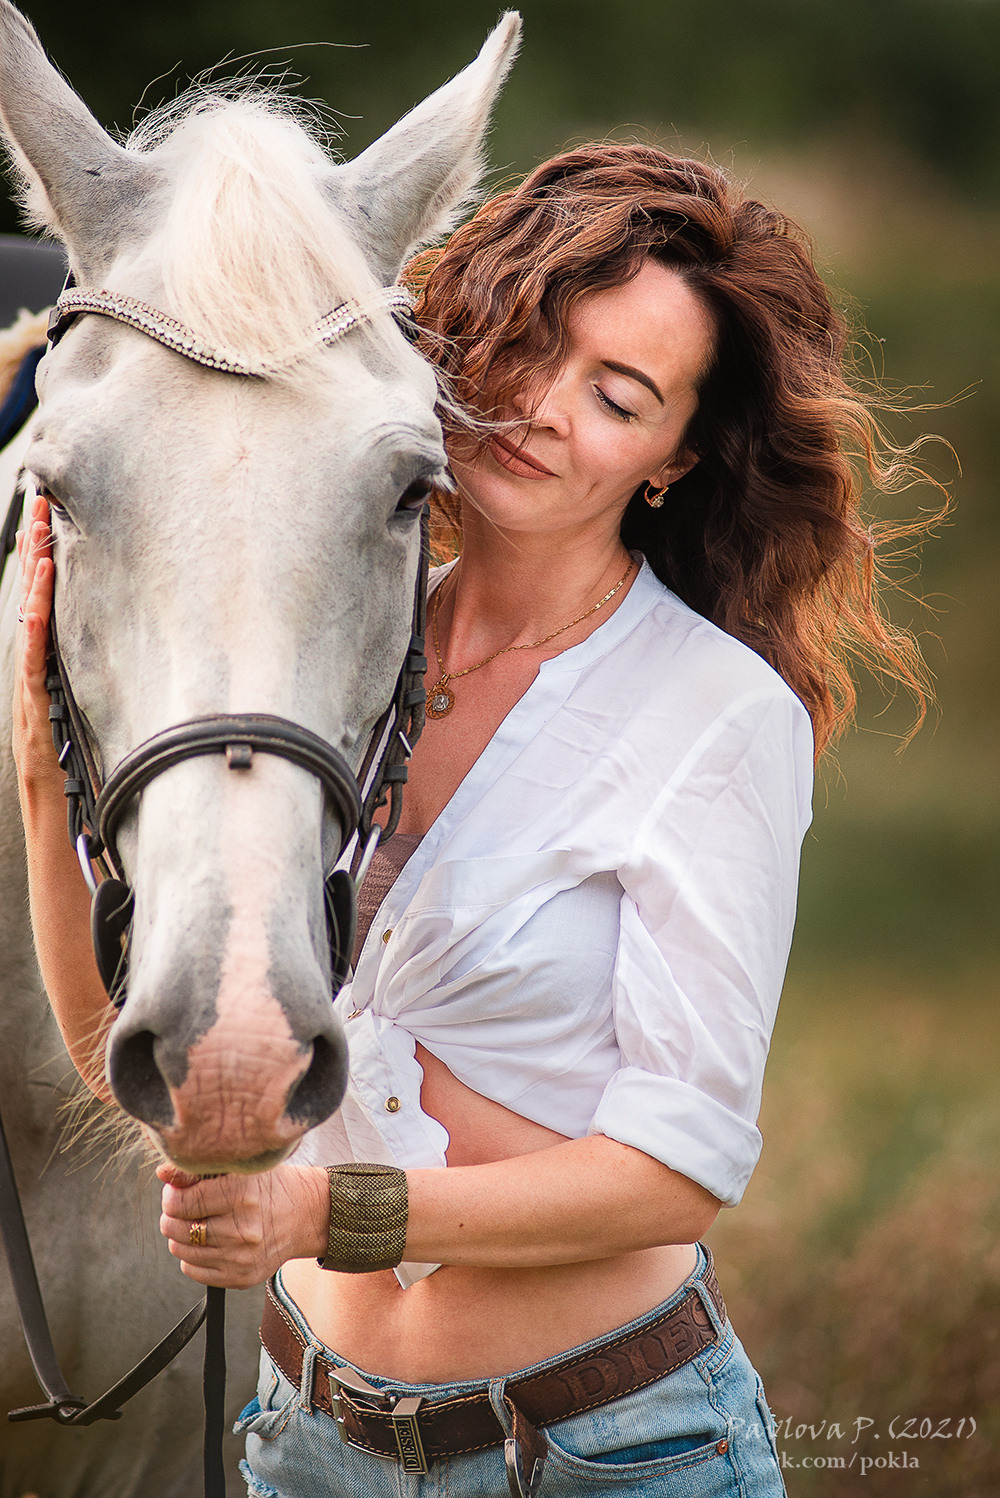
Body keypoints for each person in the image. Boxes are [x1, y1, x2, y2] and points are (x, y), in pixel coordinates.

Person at [14, 143, 933, 1497]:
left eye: (617, 396)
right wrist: (43, 781)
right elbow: (141, 1064)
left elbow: (674, 1173)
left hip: (608, 1450)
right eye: (526, 347)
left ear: (675, 454)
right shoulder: (340, 652)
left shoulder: (717, 714)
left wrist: (318, 1210)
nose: (544, 410)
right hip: (304, 1440)